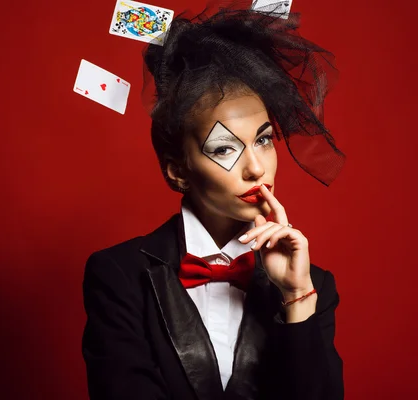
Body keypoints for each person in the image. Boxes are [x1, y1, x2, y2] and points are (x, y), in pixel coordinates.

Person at [82, 2, 345, 399]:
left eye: (263, 139)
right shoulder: (119, 274)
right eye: (224, 149)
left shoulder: (313, 286)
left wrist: (295, 298)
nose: (256, 168)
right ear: (178, 170)